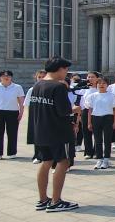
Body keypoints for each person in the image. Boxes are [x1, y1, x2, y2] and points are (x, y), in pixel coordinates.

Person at [27, 57, 78, 212]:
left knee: (45, 162)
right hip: (58, 131)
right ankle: (56, 201)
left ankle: (43, 199)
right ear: (59, 69)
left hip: (41, 131)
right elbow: (64, 111)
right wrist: (76, 109)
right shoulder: (58, 87)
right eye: (66, 69)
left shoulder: (38, 85)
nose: (66, 73)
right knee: (63, 162)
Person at [0, 70, 25, 160]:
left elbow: (21, 101)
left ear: (11, 77)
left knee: (12, 133)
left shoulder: (17, 87)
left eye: (8, 76)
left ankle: (12, 152)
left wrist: (21, 112)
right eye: (3, 76)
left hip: (13, 112)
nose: (6, 77)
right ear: (0, 78)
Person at [86, 75, 115, 170]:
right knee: (97, 139)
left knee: (107, 139)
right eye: (99, 83)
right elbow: (90, 110)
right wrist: (89, 122)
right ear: (96, 84)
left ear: (107, 85)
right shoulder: (92, 96)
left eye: (104, 83)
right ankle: (99, 159)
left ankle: (106, 159)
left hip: (108, 118)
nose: (101, 85)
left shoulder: (112, 95)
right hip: (96, 118)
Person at [26, 68, 45, 160]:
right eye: (39, 77)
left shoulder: (51, 88)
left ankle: (47, 155)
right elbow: (28, 104)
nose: (41, 79)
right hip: (36, 115)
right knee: (36, 135)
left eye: (43, 77)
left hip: (47, 115)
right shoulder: (32, 90)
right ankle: (37, 155)